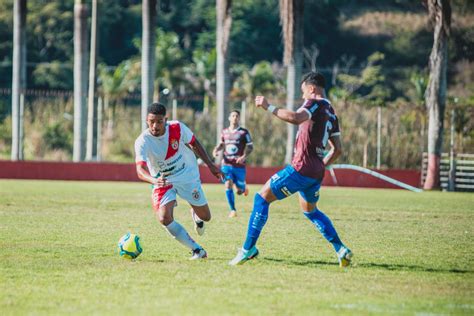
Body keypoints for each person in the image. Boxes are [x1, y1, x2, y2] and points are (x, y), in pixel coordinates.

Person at [229, 72, 353, 267]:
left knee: (261, 198)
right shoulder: (331, 112)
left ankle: (247, 249)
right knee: (310, 211)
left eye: (303, 92)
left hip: (301, 168)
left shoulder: (315, 103)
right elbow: (338, 149)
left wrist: (268, 106)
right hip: (316, 172)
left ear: (311, 89)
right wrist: (320, 165)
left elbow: (296, 117)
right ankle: (341, 249)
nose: (303, 97)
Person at [135, 103, 223, 260]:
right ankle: (197, 250)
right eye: (151, 121)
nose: (154, 126)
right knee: (164, 218)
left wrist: (210, 165)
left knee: (206, 217)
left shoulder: (177, 128)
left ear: (166, 120)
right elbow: (140, 171)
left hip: (187, 175)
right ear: (146, 120)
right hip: (163, 180)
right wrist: (153, 180)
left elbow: (194, 143)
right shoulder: (142, 141)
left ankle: (196, 216)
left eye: (159, 121)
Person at [213, 110, 254, 218]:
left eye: (237, 116)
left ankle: (243, 187)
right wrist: (216, 149)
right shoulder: (224, 132)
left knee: (240, 190)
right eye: (233, 115)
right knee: (228, 183)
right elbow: (222, 144)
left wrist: (244, 157)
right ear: (229, 118)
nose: (235, 117)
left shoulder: (244, 132)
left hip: (239, 165)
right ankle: (233, 210)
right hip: (226, 164)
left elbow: (250, 146)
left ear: (239, 118)